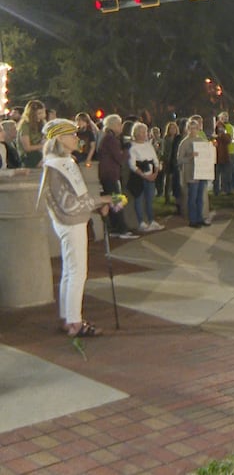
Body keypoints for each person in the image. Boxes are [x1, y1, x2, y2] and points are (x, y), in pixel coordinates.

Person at [39, 119, 114, 337]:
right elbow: (68, 203)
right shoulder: (56, 166)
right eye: (71, 135)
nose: (76, 138)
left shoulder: (64, 161)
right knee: (77, 272)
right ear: (60, 138)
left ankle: (68, 317)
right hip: (69, 223)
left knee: (70, 271)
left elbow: (77, 197)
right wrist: (102, 200)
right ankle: (75, 322)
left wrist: (96, 206)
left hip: (73, 221)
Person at [97, 114, 137, 239]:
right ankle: (121, 229)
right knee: (116, 201)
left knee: (113, 200)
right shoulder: (111, 139)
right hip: (110, 174)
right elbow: (119, 159)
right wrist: (126, 150)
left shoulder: (105, 137)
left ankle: (116, 227)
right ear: (114, 125)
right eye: (119, 124)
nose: (121, 127)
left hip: (106, 173)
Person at [128, 123, 163, 232]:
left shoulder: (148, 145)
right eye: (142, 132)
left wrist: (155, 172)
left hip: (151, 174)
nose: (145, 134)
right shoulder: (132, 147)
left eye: (145, 132)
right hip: (140, 176)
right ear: (137, 134)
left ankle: (151, 220)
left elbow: (155, 159)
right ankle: (141, 222)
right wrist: (143, 175)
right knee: (139, 199)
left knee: (149, 199)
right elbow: (132, 165)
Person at [176, 118, 210, 228]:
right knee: (193, 197)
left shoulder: (201, 141)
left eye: (195, 128)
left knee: (200, 197)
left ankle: (200, 218)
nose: (193, 130)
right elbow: (180, 159)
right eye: (191, 128)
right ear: (187, 129)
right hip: (191, 173)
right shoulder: (185, 143)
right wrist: (191, 157)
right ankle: (193, 219)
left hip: (202, 172)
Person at [17, 99, 46, 168]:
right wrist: (42, 145)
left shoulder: (42, 123)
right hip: (28, 155)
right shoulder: (25, 126)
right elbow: (27, 148)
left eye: (42, 113)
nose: (41, 116)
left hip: (40, 151)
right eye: (39, 113)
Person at [161, 121, 181, 205]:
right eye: (171, 128)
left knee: (176, 180)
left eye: (174, 128)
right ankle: (167, 198)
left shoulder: (179, 138)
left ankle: (177, 197)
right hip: (168, 161)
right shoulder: (166, 139)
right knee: (168, 180)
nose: (173, 130)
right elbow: (164, 151)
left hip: (176, 161)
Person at [213, 124, 233, 195]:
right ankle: (216, 191)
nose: (220, 129)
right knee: (216, 177)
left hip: (225, 158)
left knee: (226, 176)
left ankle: (226, 190)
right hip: (216, 159)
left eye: (222, 128)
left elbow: (228, 141)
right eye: (219, 128)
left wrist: (222, 135)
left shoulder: (227, 135)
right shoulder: (214, 137)